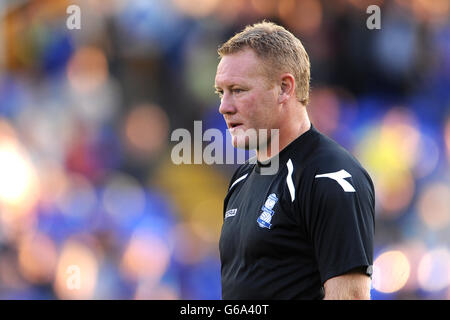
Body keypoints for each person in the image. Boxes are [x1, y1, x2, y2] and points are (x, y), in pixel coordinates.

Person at [214, 21, 375, 300]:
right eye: (221, 92)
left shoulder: (330, 176)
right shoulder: (241, 178)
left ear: (285, 88)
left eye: (238, 90)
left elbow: (350, 296)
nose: (224, 106)